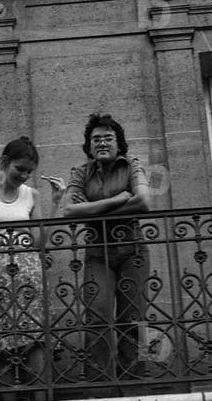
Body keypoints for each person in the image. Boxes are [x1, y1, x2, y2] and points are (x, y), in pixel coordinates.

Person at [58, 113, 151, 382]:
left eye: (108, 138)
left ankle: (136, 381)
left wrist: (93, 211)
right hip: (97, 251)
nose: (101, 143)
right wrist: (118, 200)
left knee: (135, 318)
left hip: (133, 249)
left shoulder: (132, 165)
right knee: (96, 317)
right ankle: (99, 384)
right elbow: (68, 210)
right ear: (89, 145)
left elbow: (143, 201)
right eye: (96, 139)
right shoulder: (80, 172)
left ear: (119, 143)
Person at [0, 137, 48, 392]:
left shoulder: (31, 195)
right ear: (5, 162)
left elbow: (38, 241)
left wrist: (56, 202)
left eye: (29, 171)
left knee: (34, 339)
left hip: (28, 277)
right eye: (20, 169)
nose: (24, 175)